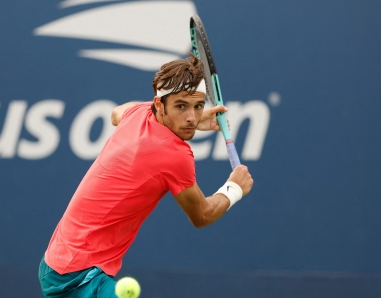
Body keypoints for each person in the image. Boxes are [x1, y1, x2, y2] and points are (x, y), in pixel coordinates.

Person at [38, 54, 254, 297]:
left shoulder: (139, 113)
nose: (191, 117)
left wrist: (191, 119)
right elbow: (201, 215)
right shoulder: (174, 155)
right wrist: (233, 188)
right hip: (77, 275)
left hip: (59, 261)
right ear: (160, 105)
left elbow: (116, 113)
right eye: (181, 106)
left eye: (198, 106)